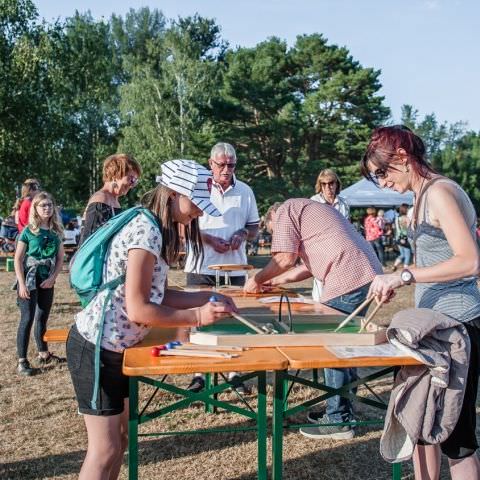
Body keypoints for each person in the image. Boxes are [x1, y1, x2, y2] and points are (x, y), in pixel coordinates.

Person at [66, 159, 237, 480]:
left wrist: (206, 296)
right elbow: (140, 308)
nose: (199, 212)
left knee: (119, 442)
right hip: (96, 349)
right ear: (173, 194)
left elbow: (157, 293)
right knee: (104, 450)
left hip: (116, 349)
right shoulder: (146, 231)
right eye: (196, 204)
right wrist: (198, 315)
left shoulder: (151, 227)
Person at [361, 125, 480, 479]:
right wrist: (406, 279)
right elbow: (436, 261)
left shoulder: (441, 192)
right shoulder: (421, 196)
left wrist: (404, 275)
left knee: (456, 438)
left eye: (381, 172)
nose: (381, 183)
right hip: (434, 326)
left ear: (402, 156)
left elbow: (470, 260)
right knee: (421, 421)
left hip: (459, 327)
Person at [244, 198, 383, 440]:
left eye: (276, 231)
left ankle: (338, 420)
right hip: (366, 273)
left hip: (348, 276)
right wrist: (273, 280)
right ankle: (342, 412)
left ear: (274, 218)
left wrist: (256, 279)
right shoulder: (309, 213)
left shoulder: (286, 209)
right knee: (344, 347)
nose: (279, 235)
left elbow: (284, 259)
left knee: (333, 348)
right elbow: (306, 267)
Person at [183, 142, 260, 394]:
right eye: (222, 164)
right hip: (201, 264)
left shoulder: (246, 190)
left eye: (231, 165)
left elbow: (254, 226)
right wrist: (208, 239)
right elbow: (184, 226)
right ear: (211, 164)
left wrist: (242, 234)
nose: (227, 169)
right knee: (198, 318)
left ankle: (233, 373)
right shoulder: (199, 188)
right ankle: (199, 374)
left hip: (234, 266)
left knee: (232, 318)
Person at [14, 192, 65, 376]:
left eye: (50, 205)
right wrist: (21, 283)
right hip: (29, 278)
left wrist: (53, 277)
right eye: (42, 205)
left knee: (42, 317)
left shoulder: (56, 232)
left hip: (47, 278)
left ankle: (44, 354)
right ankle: (22, 361)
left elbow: (60, 258)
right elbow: (18, 259)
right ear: (35, 208)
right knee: (27, 318)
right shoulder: (28, 231)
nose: (47, 208)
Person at [78, 154, 141, 245]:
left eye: (135, 180)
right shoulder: (101, 199)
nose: (133, 184)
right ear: (116, 175)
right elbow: (90, 240)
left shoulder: (114, 201)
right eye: (131, 178)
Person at [310, 168, 350, 300]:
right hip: (321, 250)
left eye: (331, 183)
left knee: (339, 289)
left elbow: (347, 228)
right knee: (320, 291)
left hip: (341, 251)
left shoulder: (344, 203)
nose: (328, 187)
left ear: (337, 184)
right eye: (324, 184)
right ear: (319, 185)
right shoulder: (313, 202)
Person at [391, 203, 412, 271]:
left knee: (402, 254)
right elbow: (410, 228)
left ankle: (394, 265)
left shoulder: (397, 218)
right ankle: (406, 271)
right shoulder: (406, 218)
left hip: (398, 238)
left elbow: (395, 228)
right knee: (407, 255)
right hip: (405, 238)